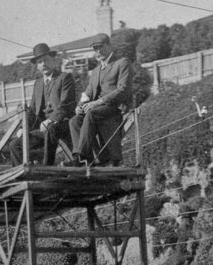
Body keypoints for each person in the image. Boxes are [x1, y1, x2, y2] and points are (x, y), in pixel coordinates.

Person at [71, 34, 134, 166]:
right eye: (95, 48)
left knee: (91, 113)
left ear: (110, 46)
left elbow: (123, 90)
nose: (98, 51)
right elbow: (87, 94)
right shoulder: (95, 71)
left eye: (101, 47)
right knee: (74, 120)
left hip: (114, 107)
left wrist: (98, 102)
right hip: (97, 109)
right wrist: (80, 105)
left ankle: (79, 157)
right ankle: (86, 159)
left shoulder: (122, 63)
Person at [24, 42, 77, 166]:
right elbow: (32, 110)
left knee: (51, 129)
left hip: (62, 124)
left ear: (53, 60)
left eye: (46, 60)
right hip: (43, 128)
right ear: (37, 66)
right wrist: (23, 128)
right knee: (15, 145)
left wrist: (51, 120)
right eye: (40, 62)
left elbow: (66, 104)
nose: (43, 64)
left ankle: (47, 169)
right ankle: (22, 176)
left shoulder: (64, 78)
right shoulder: (38, 84)